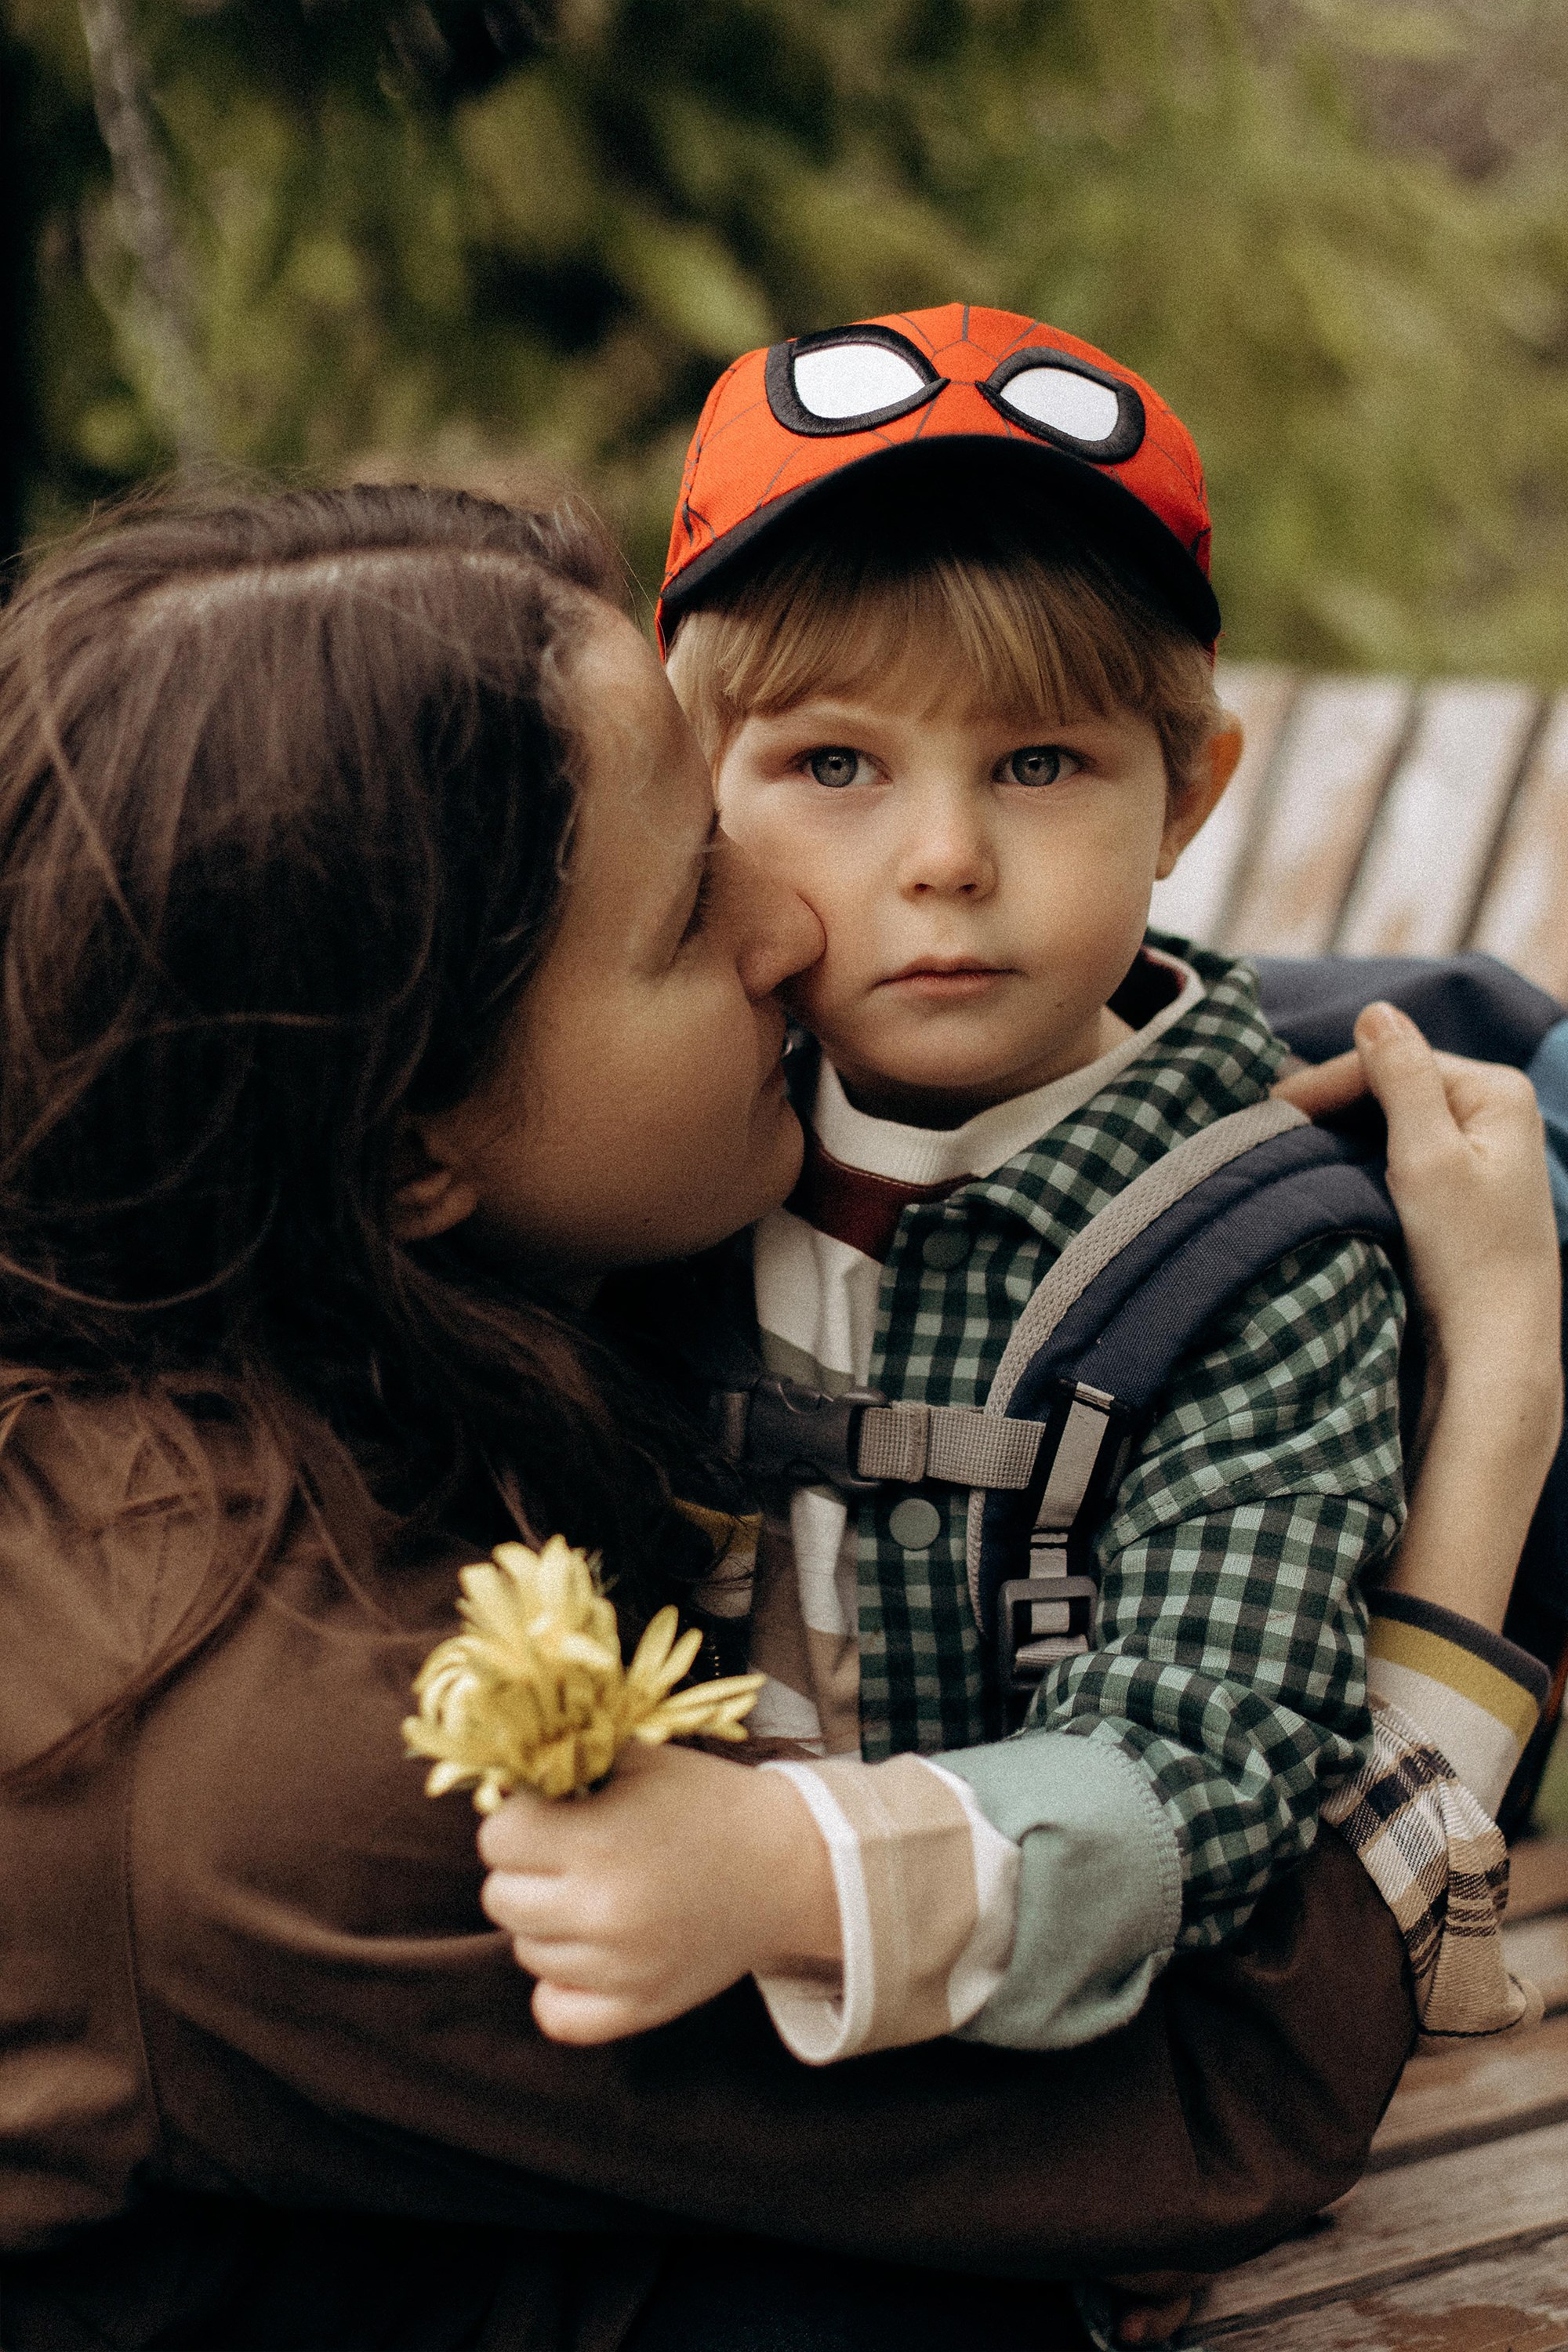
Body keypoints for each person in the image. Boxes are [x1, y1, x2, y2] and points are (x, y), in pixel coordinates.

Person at [0, 480, 1550, 2352]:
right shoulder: (312, 1778)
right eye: (683, 911)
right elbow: (1204, 2118)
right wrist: (1487, 1439)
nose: (794, 934)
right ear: (415, 1136)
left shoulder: (264, 1276)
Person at [479, 307, 1555, 2085]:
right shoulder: (663, 1152)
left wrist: (781, 1869)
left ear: (1184, 800)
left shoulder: (1252, 1256)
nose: (946, 858)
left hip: (1098, 2065)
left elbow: (1210, 1756)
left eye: (1039, 764)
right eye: (834, 766)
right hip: (667, 2027)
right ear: (696, 786)